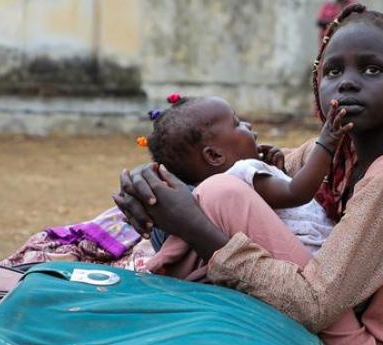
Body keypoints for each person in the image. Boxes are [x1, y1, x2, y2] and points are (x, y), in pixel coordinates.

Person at [116, 4, 383, 345]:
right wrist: (157, 179)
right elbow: (228, 165)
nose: (348, 84)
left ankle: (166, 311)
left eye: (372, 70)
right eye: (333, 72)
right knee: (203, 193)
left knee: (220, 197)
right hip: (349, 344)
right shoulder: (340, 156)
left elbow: (313, 304)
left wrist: (200, 232)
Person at [145, 94, 349, 269]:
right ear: (215, 155)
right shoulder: (242, 174)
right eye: (236, 123)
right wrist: (326, 143)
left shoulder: (233, 185)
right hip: (313, 254)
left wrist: (277, 170)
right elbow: (297, 193)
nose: (248, 125)